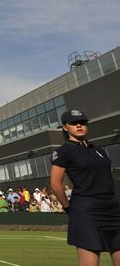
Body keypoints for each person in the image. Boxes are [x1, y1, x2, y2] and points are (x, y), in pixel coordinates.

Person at [50, 108, 120, 266]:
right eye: (74, 123)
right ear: (65, 127)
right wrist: (69, 208)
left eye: (82, 122)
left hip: (112, 209)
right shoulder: (63, 152)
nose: (79, 125)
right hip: (86, 210)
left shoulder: (99, 150)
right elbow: (55, 184)